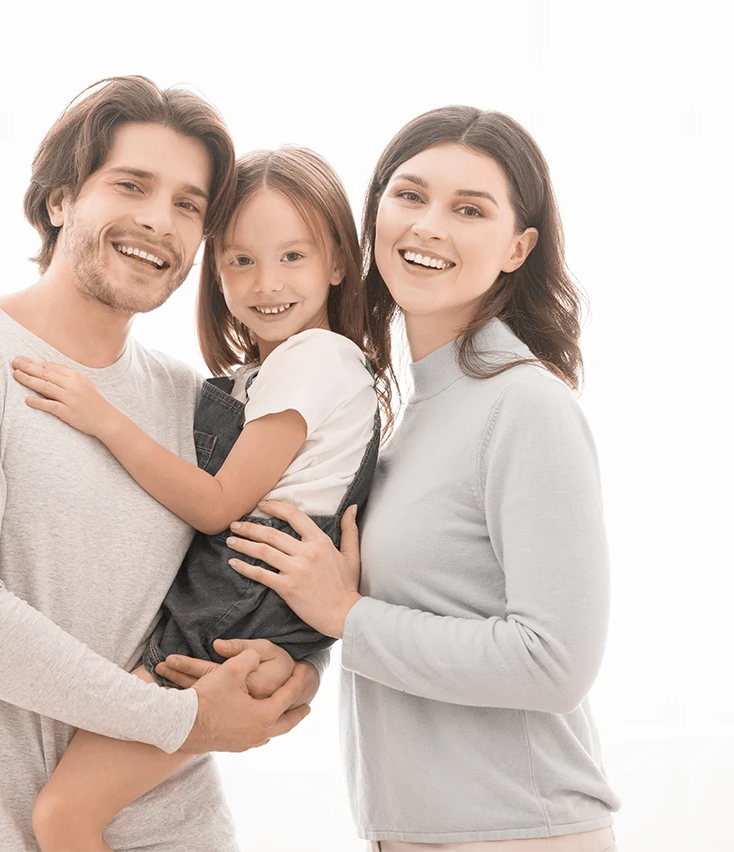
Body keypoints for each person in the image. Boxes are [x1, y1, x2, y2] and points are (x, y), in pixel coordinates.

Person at [0, 75, 319, 852]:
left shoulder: (194, 404)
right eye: (132, 185)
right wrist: (184, 718)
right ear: (60, 199)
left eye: (188, 204)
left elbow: (253, 574)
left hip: (181, 829)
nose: (159, 220)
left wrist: (291, 669)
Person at [164, 106, 622, 850]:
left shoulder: (525, 405)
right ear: (373, 217)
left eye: (469, 209)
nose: (430, 226)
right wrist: (300, 653)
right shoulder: (406, 416)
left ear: (518, 247)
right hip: (409, 832)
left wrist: (348, 617)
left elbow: (555, 663)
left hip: (521, 832)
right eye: (409, 196)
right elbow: (416, 617)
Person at [10, 145, 388, 852]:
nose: (264, 282)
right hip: (239, 612)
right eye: (239, 259)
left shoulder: (314, 359)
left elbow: (217, 507)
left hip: (229, 613)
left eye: (293, 257)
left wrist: (100, 417)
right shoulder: (262, 374)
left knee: (63, 814)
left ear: (338, 262)